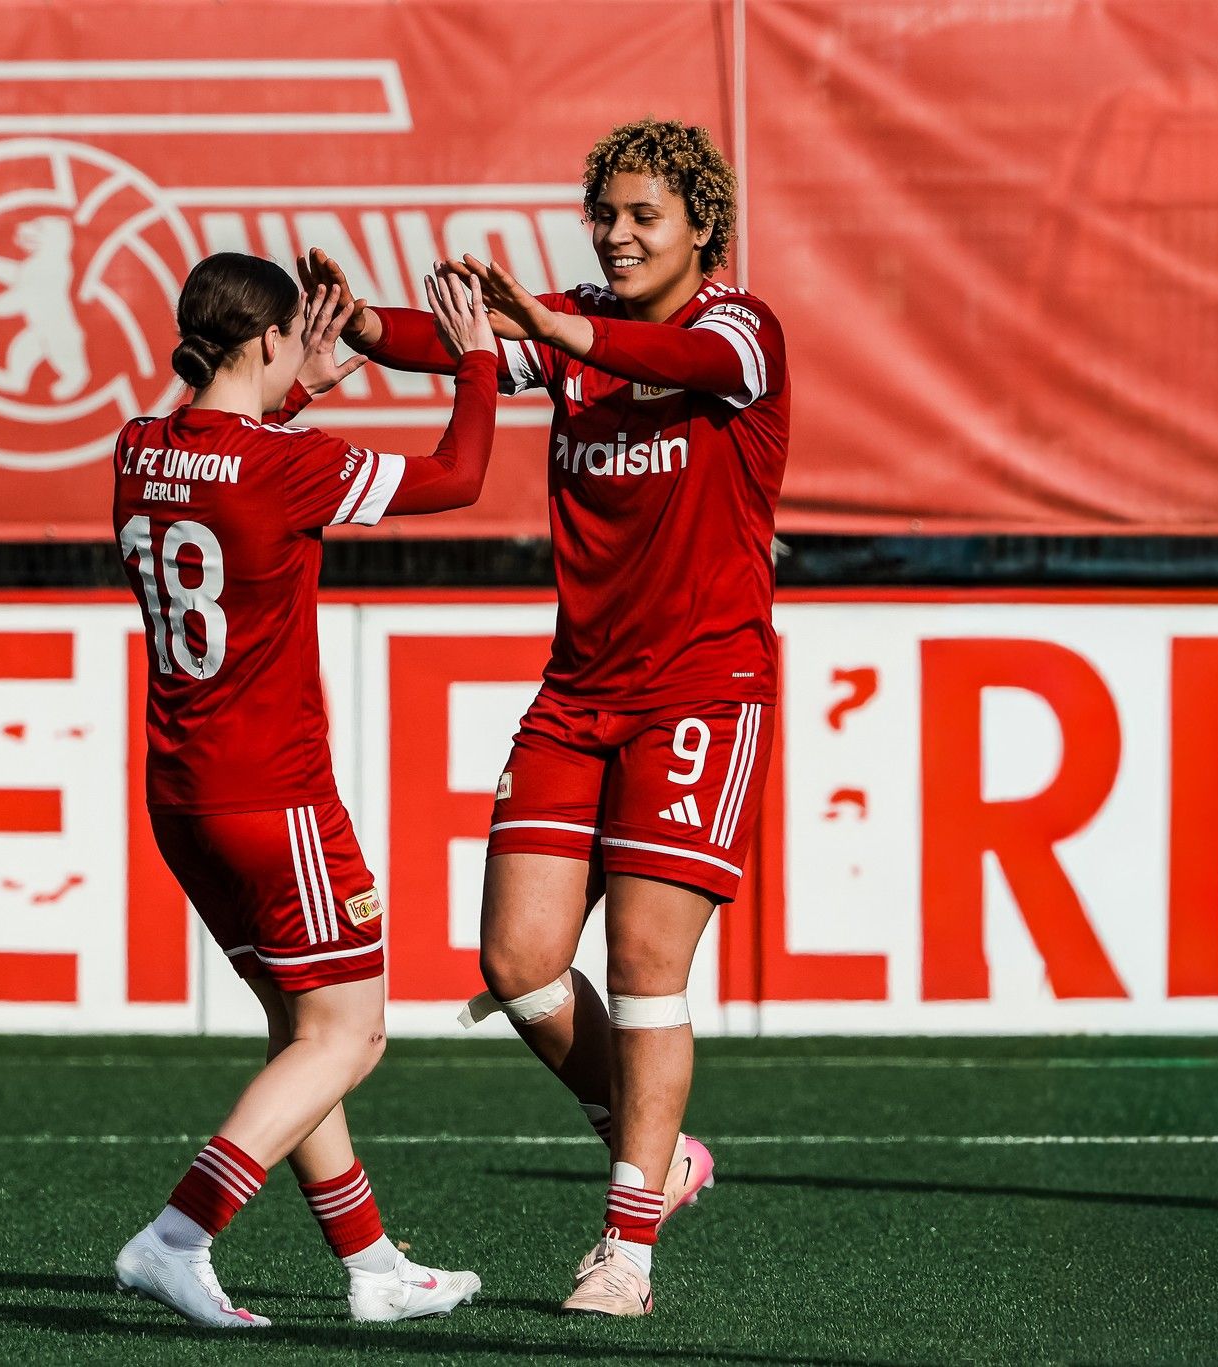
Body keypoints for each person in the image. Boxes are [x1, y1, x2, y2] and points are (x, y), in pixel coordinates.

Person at [303, 116, 787, 1317]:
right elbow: (452, 341)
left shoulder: (740, 330)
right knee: (518, 963)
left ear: (702, 227)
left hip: (701, 690)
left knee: (644, 968)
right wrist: (358, 326)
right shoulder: (573, 329)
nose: (616, 234)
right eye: (604, 214)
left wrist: (551, 327)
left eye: (642, 216)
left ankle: (626, 1249)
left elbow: (663, 354)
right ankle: (655, 1150)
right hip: (577, 695)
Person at [110, 251, 501, 1329]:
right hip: (273, 796)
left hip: (182, 793)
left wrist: (293, 393)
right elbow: (459, 475)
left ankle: (373, 1265)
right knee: (350, 1036)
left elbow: (217, 456)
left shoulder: (137, 446)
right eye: (294, 339)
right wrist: (474, 362)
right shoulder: (286, 465)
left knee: (302, 1031)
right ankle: (177, 1234)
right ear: (273, 338)